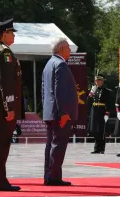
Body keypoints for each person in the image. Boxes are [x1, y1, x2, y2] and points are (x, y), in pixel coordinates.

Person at [0, 19, 23, 191]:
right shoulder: (4, 53)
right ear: (4, 34)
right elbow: (5, 83)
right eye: (11, 32)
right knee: (1, 144)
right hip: (2, 106)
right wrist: (10, 108)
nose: (13, 35)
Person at [42, 37, 77, 186]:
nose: (70, 51)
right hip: (59, 113)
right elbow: (61, 91)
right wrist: (64, 112)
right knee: (58, 145)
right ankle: (53, 177)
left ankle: (49, 175)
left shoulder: (49, 64)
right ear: (61, 49)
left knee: (51, 144)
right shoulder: (61, 64)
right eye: (68, 48)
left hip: (50, 112)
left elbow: (44, 91)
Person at [88, 74, 111, 154]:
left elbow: (108, 103)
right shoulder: (93, 90)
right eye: (96, 81)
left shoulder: (106, 91)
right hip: (94, 110)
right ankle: (96, 148)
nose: (97, 82)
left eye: (99, 80)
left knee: (101, 130)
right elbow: (89, 101)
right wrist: (91, 93)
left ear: (102, 81)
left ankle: (101, 148)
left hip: (102, 111)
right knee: (95, 130)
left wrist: (107, 113)